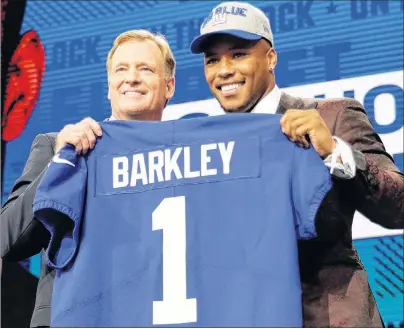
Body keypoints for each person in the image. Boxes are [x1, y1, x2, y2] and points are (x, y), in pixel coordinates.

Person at [190, 2, 404, 327]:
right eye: (212, 60)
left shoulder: (333, 116)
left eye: (238, 54)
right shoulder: (205, 147)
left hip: (328, 319)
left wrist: (334, 151)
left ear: (271, 58)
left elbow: (398, 208)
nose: (224, 70)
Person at [0, 29, 176, 327]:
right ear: (109, 86)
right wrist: (59, 163)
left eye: (145, 69)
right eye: (121, 69)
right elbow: (9, 240)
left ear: (169, 86)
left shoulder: (187, 161)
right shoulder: (57, 146)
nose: (131, 78)